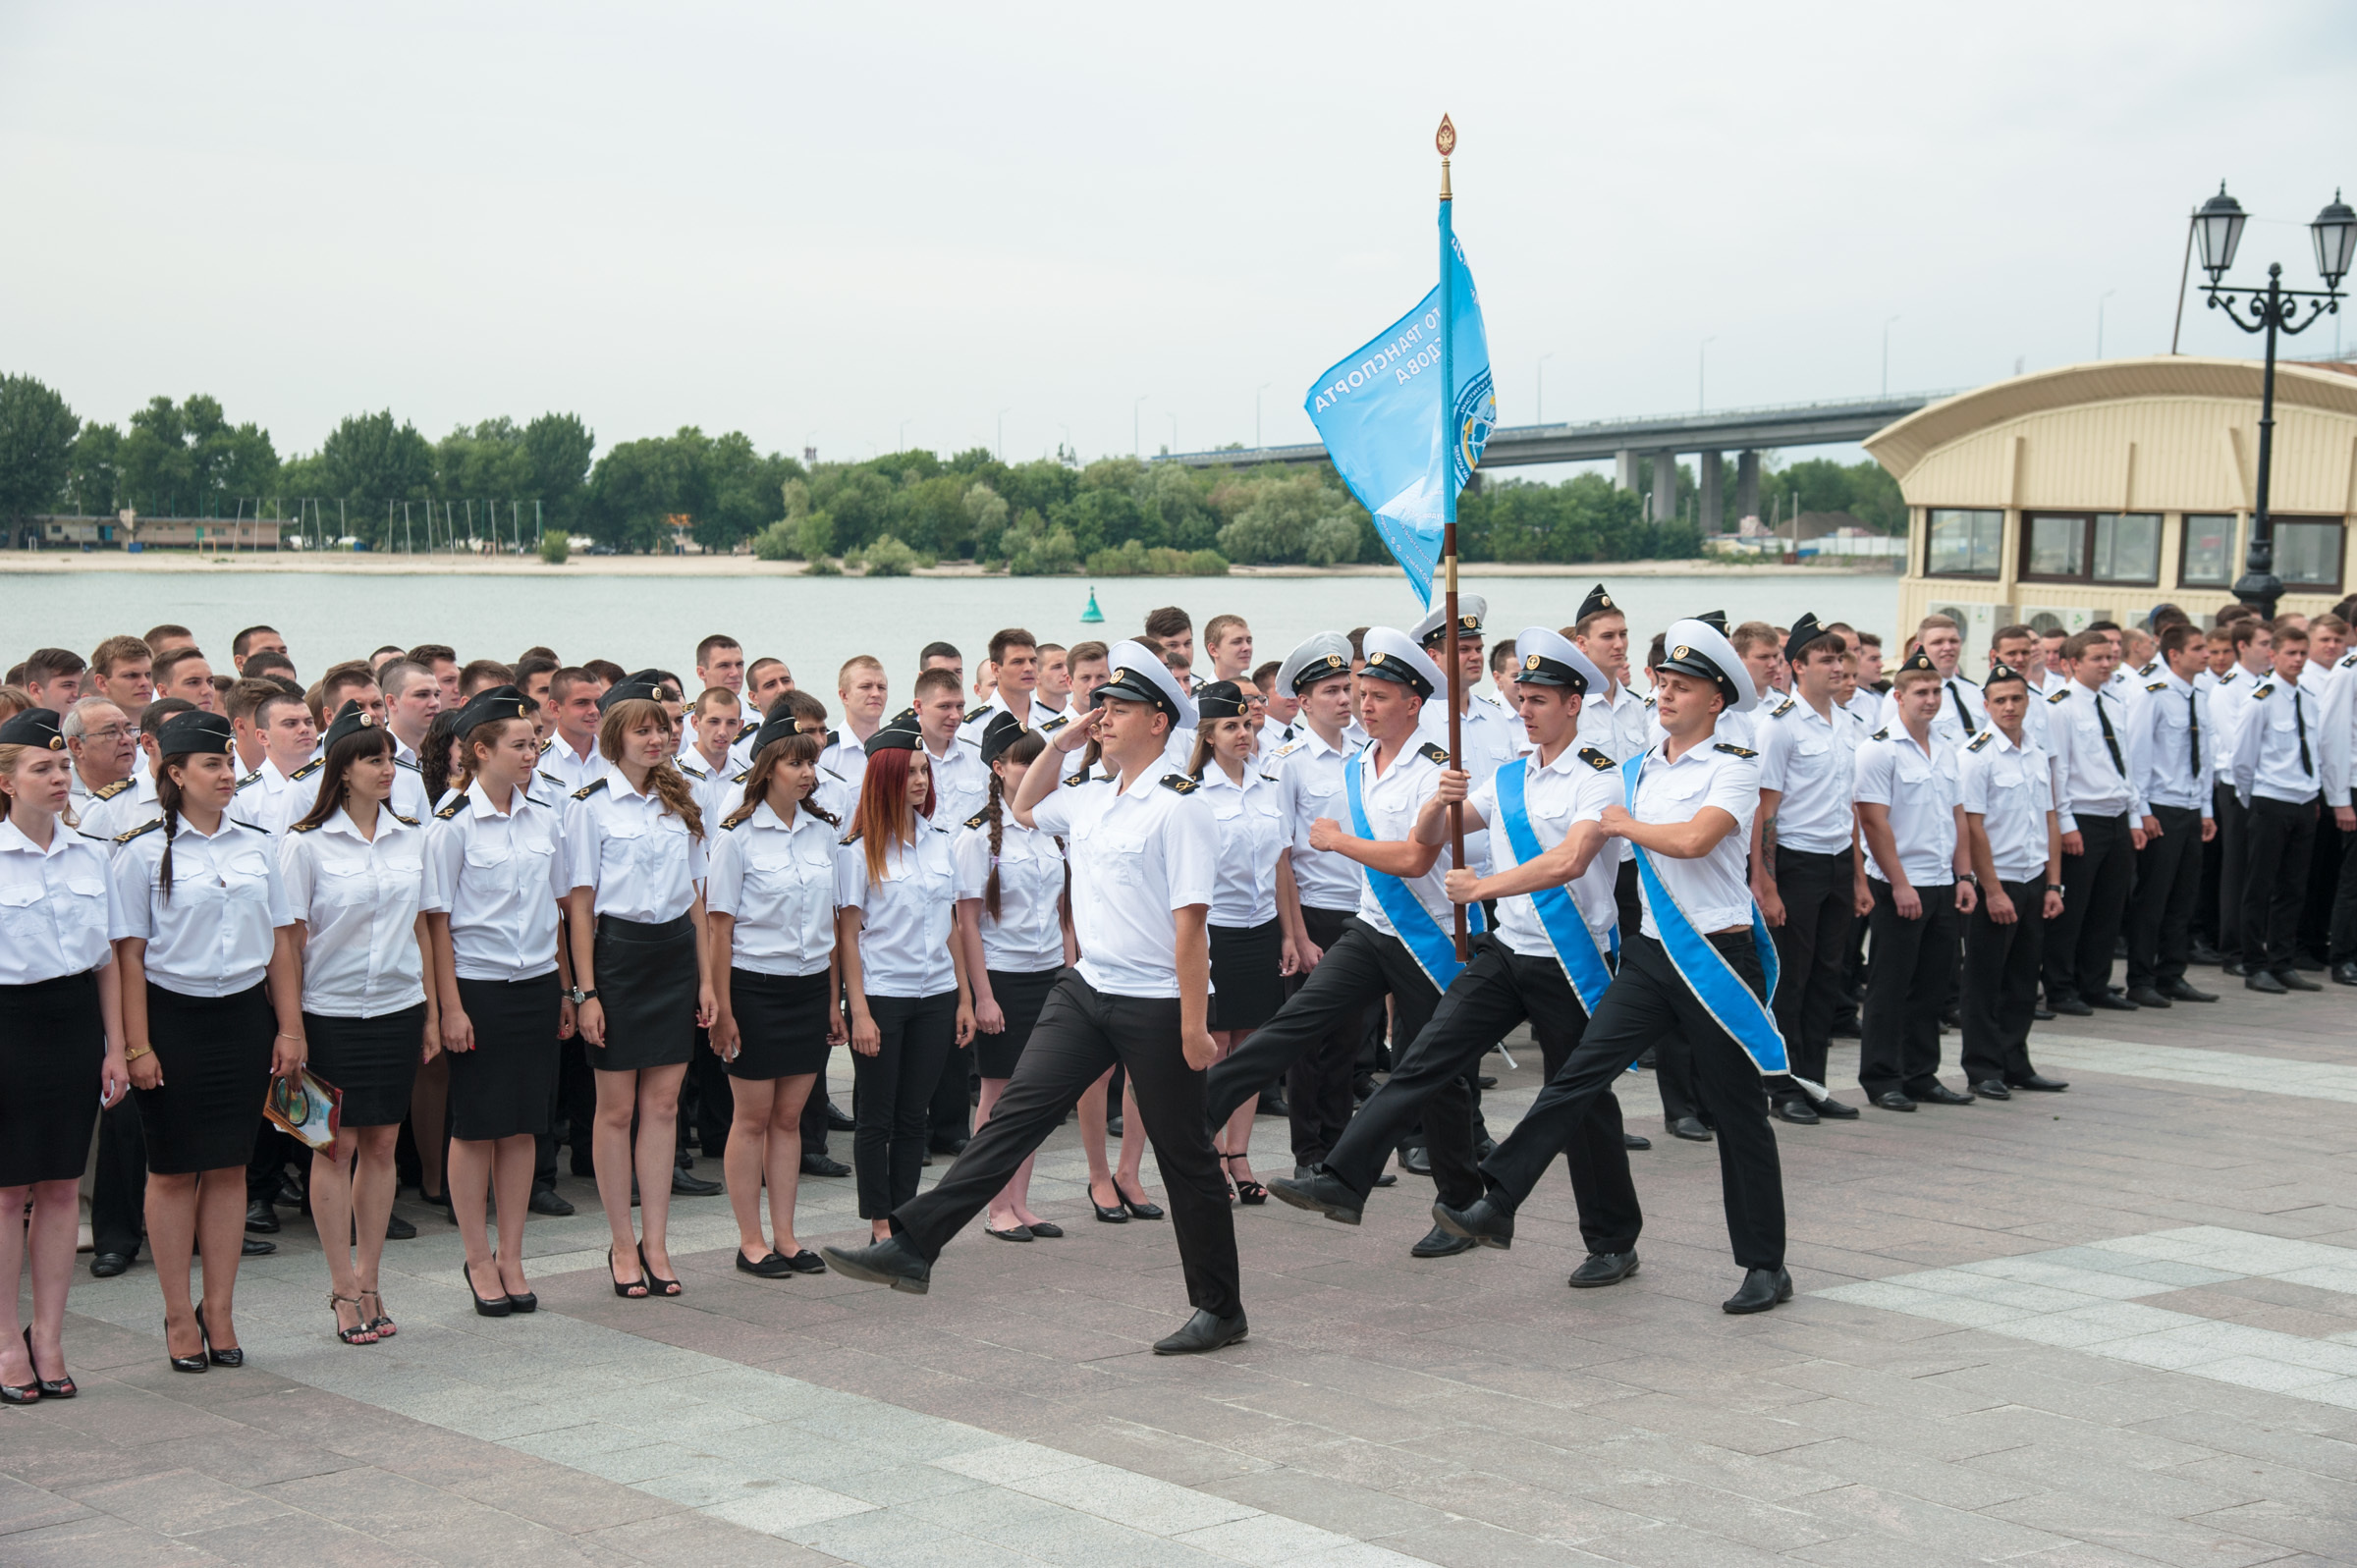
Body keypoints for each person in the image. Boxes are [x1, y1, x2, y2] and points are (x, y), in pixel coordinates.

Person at [824, 641, 1247, 1355]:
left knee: (1185, 1157)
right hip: (1087, 987)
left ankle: (1220, 1305)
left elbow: (1192, 926)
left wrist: (1195, 1025)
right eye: (1100, 706)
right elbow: (1022, 805)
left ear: (1157, 721)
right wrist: (1064, 735)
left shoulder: (1181, 808)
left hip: (1155, 999)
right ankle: (915, 1243)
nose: (1102, 717)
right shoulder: (1091, 794)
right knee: (1014, 1115)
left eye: (1117, 710)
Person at [1430, 619, 1794, 1314]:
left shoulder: (1734, 764)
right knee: (1578, 1075)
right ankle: (1497, 1198)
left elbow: (1694, 840)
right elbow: (1569, 847)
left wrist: (1622, 824)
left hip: (1717, 955)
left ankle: (1764, 1263)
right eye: (1662, 682)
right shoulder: (1634, 769)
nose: (1665, 695)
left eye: (1681, 686)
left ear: (1716, 700)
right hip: (1653, 955)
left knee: (1738, 1112)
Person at [1272, 629, 1650, 1287]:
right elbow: (1438, 833)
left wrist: (1482, 886)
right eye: (1522, 697)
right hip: (1508, 953)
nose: (1525, 710)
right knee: (1426, 1056)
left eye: (1540, 700)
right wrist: (1433, 802)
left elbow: (1571, 860)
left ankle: (1613, 1238)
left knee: (1582, 1105)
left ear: (1574, 704)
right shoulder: (1508, 778)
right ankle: (1343, 1177)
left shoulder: (1599, 778)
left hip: (1570, 959)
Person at [1203, 628, 1482, 1261]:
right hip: (1370, 925)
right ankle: (1203, 1110)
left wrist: (1336, 842)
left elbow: (1415, 856)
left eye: (1379, 696)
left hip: (1428, 935)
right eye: (1360, 695)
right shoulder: (1359, 762)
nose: (1365, 706)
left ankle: (1462, 1205)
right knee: (1300, 1019)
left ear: (1413, 702)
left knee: (1435, 1073)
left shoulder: (1435, 767)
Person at [110, 709, 304, 1371]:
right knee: (171, 1169)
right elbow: (129, 956)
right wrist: (137, 1046)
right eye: (213, 765)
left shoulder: (254, 843)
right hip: (173, 1018)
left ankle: (218, 1308)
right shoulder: (141, 849)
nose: (227, 775)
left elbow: (281, 941)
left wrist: (290, 1026)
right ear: (174, 772)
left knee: (228, 1167)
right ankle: (175, 1311)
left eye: (229, 763)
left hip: (243, 1018)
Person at [280, 701, 436, 1344]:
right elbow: (287, 942)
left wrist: (430, 1007)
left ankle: (371, 1276)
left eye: (390, 758)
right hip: (329, 1012)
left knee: (380, 1144)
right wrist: (291, 1027)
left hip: (396, 1008)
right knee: (332, 1147)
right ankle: (341, 1283)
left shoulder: (411, 836)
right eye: (373, 758)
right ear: (342, 770)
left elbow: (425, 928)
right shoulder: (305, 843)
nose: (387, 767)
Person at [563, 676, 716, 1300]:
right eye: (643, 729)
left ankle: (656, 1241)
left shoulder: (684, 799)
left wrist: (708, 980)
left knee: (663, 1107)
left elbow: (699, 901)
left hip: (674, 955)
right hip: (618, 957)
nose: (657, 738)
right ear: (614, 737)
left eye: (662, 728)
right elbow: (579, 906)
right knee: (617, 1107)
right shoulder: (589, 805)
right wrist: (586, 993)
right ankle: (622, 1242)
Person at [423, 687, 574, 1318]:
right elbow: (434, 923)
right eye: (519, 744)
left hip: (536, 985)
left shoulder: (546, 815)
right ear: (479, 750)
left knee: (523, 1126)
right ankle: (477, 1255)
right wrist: (447, 1008)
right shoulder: (449, 825)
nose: (532, 753)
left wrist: (568, 989)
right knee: (477, 1126)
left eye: (535, 742)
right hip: (477, 987)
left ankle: (512, 1254)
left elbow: (559, 910)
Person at [0, 708, 130, 1403]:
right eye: (41, 769)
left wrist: (115, 1046)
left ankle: (48, 1335)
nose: (58, 778)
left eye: (60, 767)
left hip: (73, 1023)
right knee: (5, 1193)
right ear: (5, 780)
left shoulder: (90, 853)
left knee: (56, 1189)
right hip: (8, 1025)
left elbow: (106, 958)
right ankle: (3, 1340)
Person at [706, 711, 840, 1277]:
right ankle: (750, 1239)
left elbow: (832, 926)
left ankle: (786, 1236)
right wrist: (723, 1007)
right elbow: (719, 928)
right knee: (753, 1118)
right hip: (755, 990)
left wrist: (833, 1001)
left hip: (808, 989)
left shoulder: (824, 831)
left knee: (790, 1119)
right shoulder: (736, 837)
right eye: (794, 762)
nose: (807, 773)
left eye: (811, 761)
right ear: (766, 769)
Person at [835, 717, 972, 1237]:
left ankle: (905, 1213)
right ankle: (878, 1220)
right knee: (877, 1116)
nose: (921, 781)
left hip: (935, 994)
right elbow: (847, 936)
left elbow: (952, 928)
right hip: (883, 996)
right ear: (884, 779)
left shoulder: (940, 842)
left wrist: (964, 997)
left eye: (925, 771)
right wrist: (859, 1011)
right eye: (910, 772)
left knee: (915, 1115)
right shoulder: (856, 851)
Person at [953, 716, 1071, 1240]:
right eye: (1021, 760)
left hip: (1048, 974)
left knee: (1036, 1096)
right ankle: (994, 1204)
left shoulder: (1051, 827)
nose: (1030, 770)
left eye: (1038, 759)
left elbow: (1065, 913)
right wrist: (983, 996)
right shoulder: (977, 835)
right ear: (998, 767)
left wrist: (1071, 973)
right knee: (998, 1096)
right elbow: (967, 924)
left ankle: (1021, 1201)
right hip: (1001, 977)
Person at [1751, 614, 1867, 1124]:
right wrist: (1764, 880)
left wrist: (1860, 877)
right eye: (1826, 659)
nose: (1838, 667)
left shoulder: (1848, 724)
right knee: (1791, 980)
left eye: (1841, 658)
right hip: (1794, 862)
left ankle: (1814, 1083)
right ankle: (1783, 1088)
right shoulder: (1779, 727)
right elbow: (1765, 810)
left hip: (1838, 860)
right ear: (1797, 667)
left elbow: (1851, 808)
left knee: (1828, 976)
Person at [1853, 647, 1979, 1111]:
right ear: (1899, 696)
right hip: (1897, 883)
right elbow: (1873, 822)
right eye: (1920, 691)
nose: (1930, 699)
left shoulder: (1945, 748)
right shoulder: (1878, 749)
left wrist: (1964, 875)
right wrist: (1900, 882)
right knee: (1890, 985)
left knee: (1932, 985)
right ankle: (1882, 1077)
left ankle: (1921, 1074)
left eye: (1936, 690)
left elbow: (1957, 817)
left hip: (1942, 881)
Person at [1187, 682, 1294, 1205]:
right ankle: (1206, 1155)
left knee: (1251, 1047)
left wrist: (1291, 934)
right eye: (1230, 726)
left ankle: (1240, 1154)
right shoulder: (1192, 792)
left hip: (1261, 927)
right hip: (1216, 929)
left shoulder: (1269, 783)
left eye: (1247, 724)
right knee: (1216, 1046)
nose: (1244, 734)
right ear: (1208, 736)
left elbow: (1281, 864)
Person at [1956, 664, 2071, 1099]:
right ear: (1985, 706)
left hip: (2032, 877)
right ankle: (1983, 1068)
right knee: (1984, 979)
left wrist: (2054, 884)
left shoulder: (2036, 753)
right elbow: (1973, 827)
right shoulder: (1976, 754)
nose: (2009, 706)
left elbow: (2049, 819)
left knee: (2024, 978)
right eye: (2000, 700)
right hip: (1997, 882)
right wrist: (1993, 890)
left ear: (2028, 702)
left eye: (2017, 698)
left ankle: (2015, 1061)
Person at [2042, 628, 2150, 1013]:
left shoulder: (2115, 701)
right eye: (2097, 659)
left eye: (2110, 658)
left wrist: (2135, 815)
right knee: (2073, 911)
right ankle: (2060, 986)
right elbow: (2059, 771)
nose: (2107, 664)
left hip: (2116, 815)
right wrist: (2067, 826)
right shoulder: (2060, 706)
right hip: (2083, 818)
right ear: (2071, 664)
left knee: (2109, 907)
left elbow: (2127, 765)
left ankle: (2095, 983)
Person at [2122, 623, 2220, 1007]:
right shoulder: (2155, 695)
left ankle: (2172, 974)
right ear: (2175, 654)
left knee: (2184, 897)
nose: (2207, 655)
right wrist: (2142, 811)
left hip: (2191, 808)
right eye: (2198, 648)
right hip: (2161, 807)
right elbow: (2138, 757)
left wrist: (2207, 809)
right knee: (2153, 898)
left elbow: (2205, 759)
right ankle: (2141, 978)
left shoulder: (2199, 695)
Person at [2232, 622, 2324, 995]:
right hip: (2271, 799)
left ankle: (2282, 960)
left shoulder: (2308, 697)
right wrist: (2252, 800)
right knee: (2260, 885)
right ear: (2274, 655)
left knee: (2293, 886)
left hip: (2303, 801)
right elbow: (2242, 759)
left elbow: (2315, 751)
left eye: (2303, 653)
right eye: (2291, 653)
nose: (2298, 660)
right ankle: (2254, 963)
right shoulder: (2261, 698)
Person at [231, 684, 322, 836]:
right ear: (263, 737)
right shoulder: (245, 798)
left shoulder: (332, 783)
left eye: (308, 722)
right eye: (290, 723)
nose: (304, 729)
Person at [89, 635, 156, 714]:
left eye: (149, 675)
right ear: (102, 683)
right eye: (131, 675)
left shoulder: (169, 722)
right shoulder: (84, 725)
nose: (145, 682)